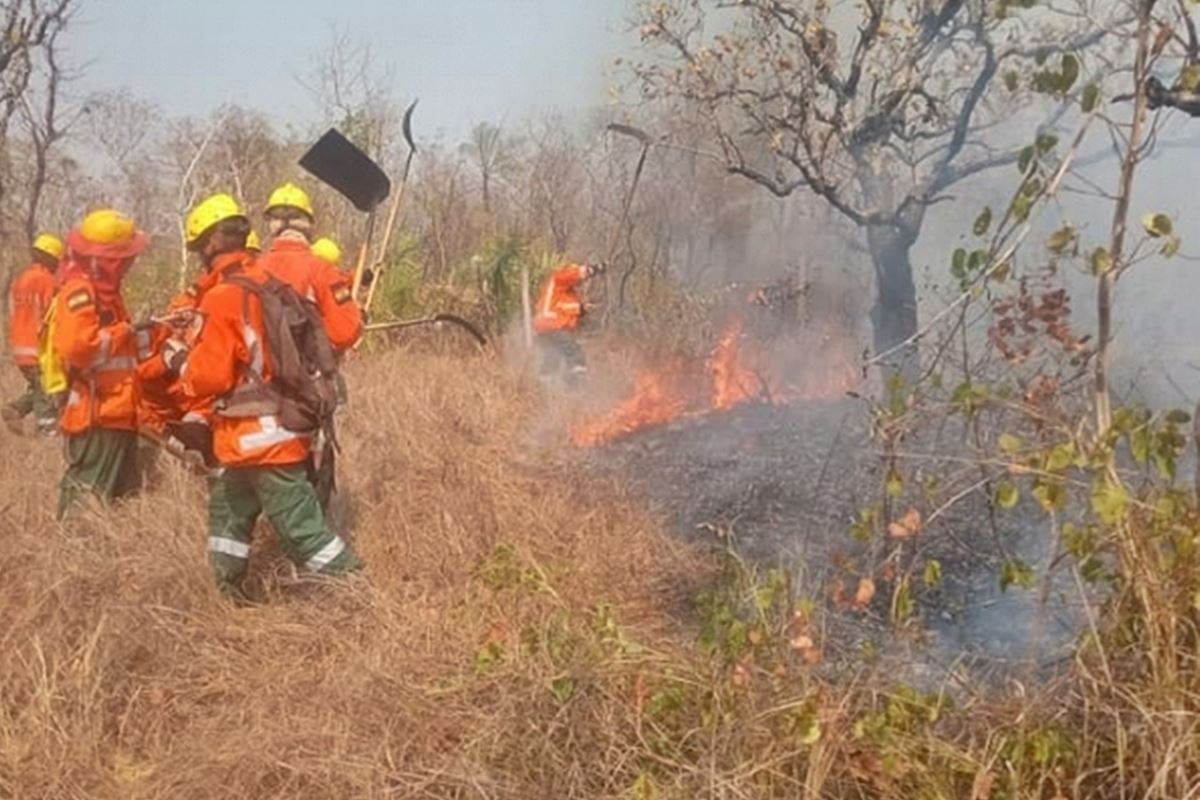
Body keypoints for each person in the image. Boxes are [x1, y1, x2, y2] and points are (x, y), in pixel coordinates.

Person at [164, 192, 362, 596]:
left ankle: (358, 593)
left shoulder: (224, 296)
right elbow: (339, 332)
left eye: (200, 246)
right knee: (227, 514)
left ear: (212, 244)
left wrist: (179, 362)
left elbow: (211, 378)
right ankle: (228, 595)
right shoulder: (264, 283)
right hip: (260, 433)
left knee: (302, 531)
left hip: (262, 438)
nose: (200, 253)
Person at [258, 184, 361, 511]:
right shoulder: (320, 269)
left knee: (265, 464)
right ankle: (311, 538)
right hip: (308, 388)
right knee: (310, 465)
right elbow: (345, 331)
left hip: (256, 391)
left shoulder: (250, 270)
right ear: (308, 225)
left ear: (272, 225)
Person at [52, 210, 148, 519]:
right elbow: (77, 348)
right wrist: (125, 332)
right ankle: (73, 556)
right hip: (97, 413)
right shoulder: (80, 292)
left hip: (116, 410)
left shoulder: (108, 295)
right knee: (87, 498)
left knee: (110, 498)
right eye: (125, 258)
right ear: (109, 260)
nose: (130, 264)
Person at [4, 233, 62, 434]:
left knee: (38, 386)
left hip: (20, 348)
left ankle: (15, 409)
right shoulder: (47, 281)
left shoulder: (20, 281)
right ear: (51, 259)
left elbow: (12, 315)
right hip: (40, 348)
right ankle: (47, 431)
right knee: (46, 389)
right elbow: (54, 316)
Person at [532, 262, 604, 384]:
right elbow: (573, 275)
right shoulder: (558, 279)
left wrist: (582, 309)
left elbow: (564, 308)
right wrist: (592, 269)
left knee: (552, 357)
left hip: (547, 328)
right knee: (574, 351)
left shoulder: (568, 294)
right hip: (550, 324)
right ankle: (576, 383)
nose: (582, 282)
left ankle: (544, 386)